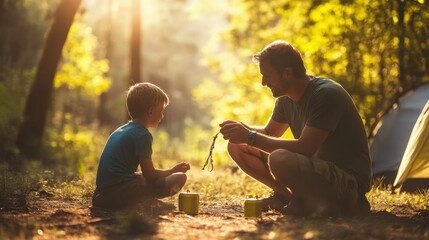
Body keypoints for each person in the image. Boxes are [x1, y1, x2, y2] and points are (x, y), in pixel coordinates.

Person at [219, 40, 372, 216]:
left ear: (287, 73)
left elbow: (305, 148)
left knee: (279, 158)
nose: (263, 82)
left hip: (347, 182)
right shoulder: (285, 98)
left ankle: (336, 204)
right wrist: (240, 130)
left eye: (267, 75)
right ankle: (288, 197)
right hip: (316, 170)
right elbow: (270, 133)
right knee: (237, 146)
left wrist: (249, 136)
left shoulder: (326, 95)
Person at [92, 82, 190, 209]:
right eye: (160, 110)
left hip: (104, 188)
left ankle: (106, 200)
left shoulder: (123, 129)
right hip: (123, 188)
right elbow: (149, 174)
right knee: (178, 177)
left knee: (141, 178)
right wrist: (172, 170)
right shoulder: (142, 135)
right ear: (150, 111)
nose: (162, 116)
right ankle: (146, 203)